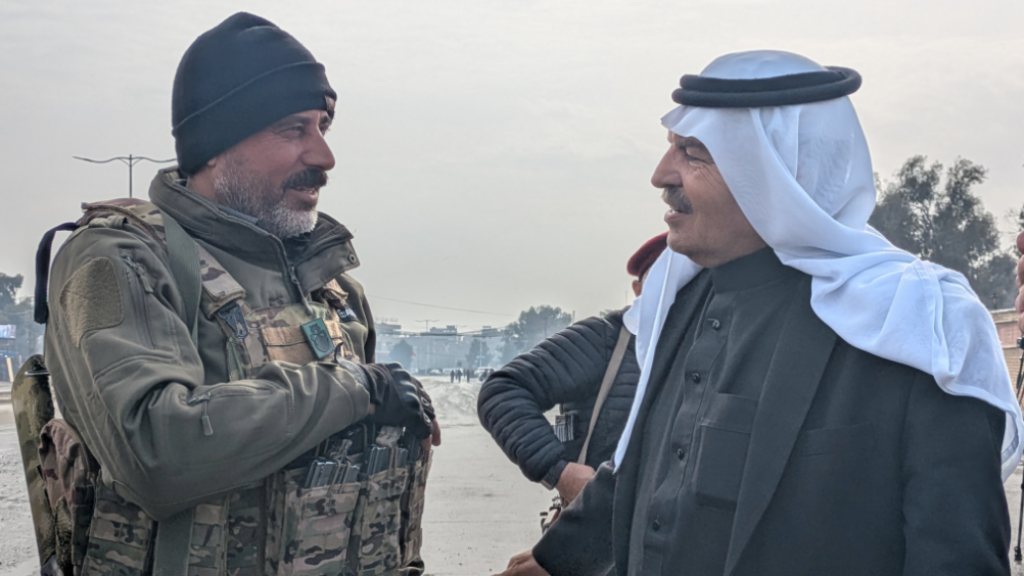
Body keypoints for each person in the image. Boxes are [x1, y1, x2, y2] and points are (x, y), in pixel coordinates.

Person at [496, 50, 1022, 576]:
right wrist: (556, 561)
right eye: (670, 148)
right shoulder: (678, 299)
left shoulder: (915, 324)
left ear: (773, 173)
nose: (661, 175)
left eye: (693, 152)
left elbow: (957, 556)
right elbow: (647, 470)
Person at [31, 13, 439, 576]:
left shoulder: (332, 288)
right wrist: (357, 389)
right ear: (215, 146)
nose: (324, 157)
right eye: (294, 130)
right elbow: (156, 452)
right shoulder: (117, 260)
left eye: (323, 127)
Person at [478, 233, 666, 506]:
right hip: (601, 528)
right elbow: (503, 390)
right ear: (638, 289)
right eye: (662, 278)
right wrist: (559, 471)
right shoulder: (605, 340)